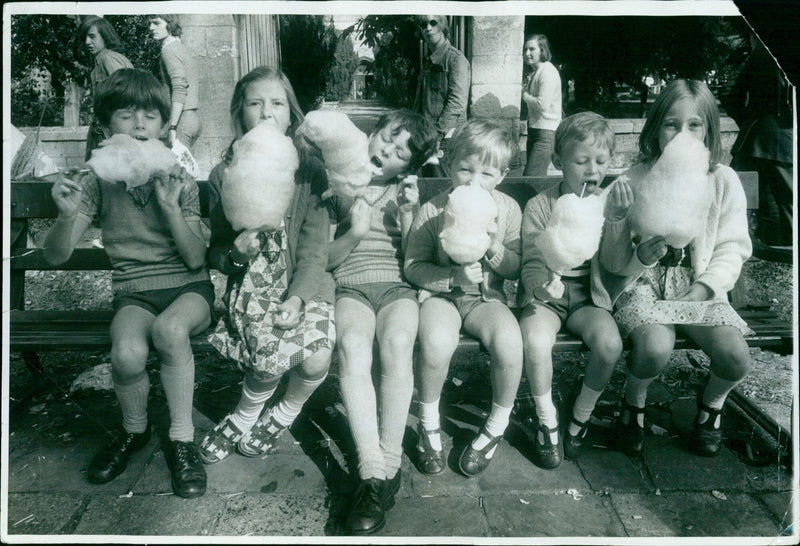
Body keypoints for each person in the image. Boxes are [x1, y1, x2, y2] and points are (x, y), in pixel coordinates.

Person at [42, 68, 213, 498]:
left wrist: (171, 208)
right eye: (125, 115)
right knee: (127, 352)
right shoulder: (98, 184)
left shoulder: (179, 178)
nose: (139, 124)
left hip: (188, 289)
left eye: (151, 116)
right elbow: (56, 255)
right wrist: (65, 216)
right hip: (134, 291)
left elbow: (196, 258)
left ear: (162, 126)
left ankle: (181, 439)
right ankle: (134, 431)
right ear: (105, 126)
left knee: (170, 331)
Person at [601, 79, 753, 458]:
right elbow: (611, 260)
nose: (681, 134)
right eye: (672, 124)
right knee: (654, 347)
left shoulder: (721, 180)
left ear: (709, 131)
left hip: (698, 285)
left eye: (694, 125)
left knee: (736, 357)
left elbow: (732, 247)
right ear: (656, 127)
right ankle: (633, 405)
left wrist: (706, 287)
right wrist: (633, 244)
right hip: (643, 283)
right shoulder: (634, 179)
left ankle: (711, 408)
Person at [199, 67, 335, 465]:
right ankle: (244, 415)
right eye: (254, 103)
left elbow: (314, 253)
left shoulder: (310, 173)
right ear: (239, 112)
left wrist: (296, 300)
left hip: (305, 285)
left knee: (316, 358)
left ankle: (284, 413)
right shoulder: (224, 174)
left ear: (290, 115)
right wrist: (236, 253)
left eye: (276, 104)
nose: (265, 113)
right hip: (253, 288)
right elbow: (218, 251)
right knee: (266, 358)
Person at [328, 109, 438, 535]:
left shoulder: (402, 195)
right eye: (386, 139)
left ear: (408, 168)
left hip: (395, 290)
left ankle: (386, 465)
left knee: (396, 345)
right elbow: (324, 259)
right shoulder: (337, 186)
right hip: (349, 288)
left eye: (400, 153)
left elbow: (414, 264)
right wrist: (352, 233)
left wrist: (410, 214)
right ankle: (370, 469)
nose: (387, 152)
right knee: (353, 347)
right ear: (370, 135)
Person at [405, 118, 523, 478]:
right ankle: (427, 424)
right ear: (448, 167)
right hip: (443, 297)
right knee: (437, 343)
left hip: (485, 299)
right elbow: (413, 266)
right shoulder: (433, 210)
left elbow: (516, 268)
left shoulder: (507, 211)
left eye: (486, 174)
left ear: (500, 176)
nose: (473, 182)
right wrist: (449, 277)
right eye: (464, 170)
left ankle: (496, 427)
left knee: (509, 342)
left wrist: (492, 248)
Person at [518, 112, 624, 469]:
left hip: (587, 297)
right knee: (534, 341)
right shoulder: (540, 206)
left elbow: (615, 260)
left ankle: (580, 417)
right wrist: (538, 288)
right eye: (581, 161)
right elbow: (532, 258)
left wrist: (618, 221)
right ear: (557, 161)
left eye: (600, 161)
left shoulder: (607, 206)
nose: (592, 170)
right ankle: (547, 419)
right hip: (547, 296)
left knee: (610, 344)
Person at [723, 35, 793, 254]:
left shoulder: (761, 52)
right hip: (784, 140)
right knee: (789, 200)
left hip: (753, 137)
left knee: (739, 199)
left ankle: (738, 249)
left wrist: (751, 121)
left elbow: (729, 92)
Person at [413, 14, 470, 176]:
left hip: (446, 137)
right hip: (427, 135)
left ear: (443, 26)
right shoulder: (428, 60)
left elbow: (457, 102)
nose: (428, 28)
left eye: (433, 23)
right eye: (424, 25)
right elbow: (421, 101)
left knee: (443, 185)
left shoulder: (455, 59)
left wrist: (437, 135)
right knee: (430, 185)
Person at [75, 16, 133, 161]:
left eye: (92, 37)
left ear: (105, 35)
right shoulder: (104, 59)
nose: (87, 42)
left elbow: (126, 91)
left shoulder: (107, 58)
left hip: (108, 130)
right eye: (85, 38)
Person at [148, 14, 202, 150]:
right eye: (150, 24)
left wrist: (172, 127)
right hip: (194, 118)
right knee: (187, 169)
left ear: (170, 24)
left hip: (182, 121)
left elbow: (179, 88)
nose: (151, 28)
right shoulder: (180, 47)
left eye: (156, 23)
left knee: (178, 170)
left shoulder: (169, 50)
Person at [521, 34, 562, 176]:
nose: (527, 53)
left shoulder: (548, 72)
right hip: (535, 130)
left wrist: (525, 96)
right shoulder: (536, 72)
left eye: (532, 49)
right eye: (525, 49)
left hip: (546, 132)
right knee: (536, 177)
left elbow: (542, 104)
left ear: (542, 50)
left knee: (531, 177)